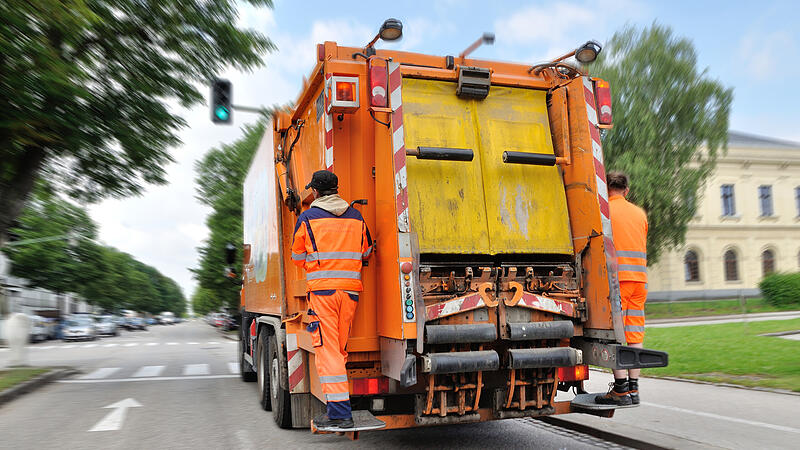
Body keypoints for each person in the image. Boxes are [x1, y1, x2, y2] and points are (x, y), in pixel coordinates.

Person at [291, 170, 373, 430]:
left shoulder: (307, 218)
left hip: (323, 294)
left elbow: (297, 258)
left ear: (314, 192)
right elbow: (367, 250)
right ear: (336, 189)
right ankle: (339, 407)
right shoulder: (356, 217)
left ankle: (339, 413)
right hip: (350, 293)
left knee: (328, 352)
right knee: (338, 349)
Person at [596, 171, 648, 406]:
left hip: (617, 283)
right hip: (639, 281)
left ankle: (620, 390)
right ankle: (634, 390)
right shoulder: (639, 214)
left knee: (615, 335)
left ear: (607, 189)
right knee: (634, 333)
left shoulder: (604, 213)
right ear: (627, 190)